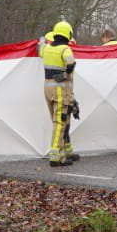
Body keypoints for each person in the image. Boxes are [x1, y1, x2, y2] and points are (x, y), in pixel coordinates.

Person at [40, 20, 79, 166]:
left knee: (59, 122)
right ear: (68, 34)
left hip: (48, 90)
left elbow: (40, 47)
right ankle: (56, 156)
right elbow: (71, 63)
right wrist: (65, 74)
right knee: (60, 123)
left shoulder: (47, 49)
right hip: (61, 90)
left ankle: (64, 151)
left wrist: (41, 39)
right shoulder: (65, 49)